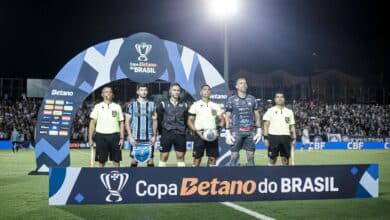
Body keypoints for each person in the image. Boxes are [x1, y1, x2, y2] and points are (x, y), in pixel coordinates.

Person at [225, 78, 262, 166]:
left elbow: (257, 115)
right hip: (236, 132)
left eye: (245, 83)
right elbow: (227, 116)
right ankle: (231, 178)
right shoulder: (231, 99)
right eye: (241, 83)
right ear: (236, 86)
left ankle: (251, 178)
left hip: (250, 132)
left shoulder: (252, 99)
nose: (244, 84)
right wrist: (227, 131)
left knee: (251, 158)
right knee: (234, 157)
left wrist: (259, 130)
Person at [187, 84, 224, 167]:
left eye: (208, 89)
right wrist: (197, 131)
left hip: (212, 135)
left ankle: (211, 178)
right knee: (197, 158)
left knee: (212, 158)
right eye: (204, 89)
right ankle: (194, 177)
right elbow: (190, 121)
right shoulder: (195, 105)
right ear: (201, 92)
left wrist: (218, 129)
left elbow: (222, 119)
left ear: (210, 92)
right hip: (199, 134)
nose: (206, 91)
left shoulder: (215, 106)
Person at [88, 86, 125, 167]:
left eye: (110, 92)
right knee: (101, 161)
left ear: (112, 94)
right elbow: (92, 123)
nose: (108, 93)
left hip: (115, 136)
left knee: (116, 161)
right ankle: (99, 178)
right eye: (106, 92)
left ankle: (118, 178)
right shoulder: (97, 106)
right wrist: (90, 138)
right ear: (102, 94)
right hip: (101, 136)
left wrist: (122, 138)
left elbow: (121, 123)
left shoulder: (117, 107)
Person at [125, 84, 157, 167]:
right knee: (134, 161)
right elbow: (127, 122)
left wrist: (154, 136)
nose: (144, 92)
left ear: (148, 91)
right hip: (135, 137)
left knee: (150, 161)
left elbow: (154, 121)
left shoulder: (152, 105)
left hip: (149, 137)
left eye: (145, 90)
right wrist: (130, 137)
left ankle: (150, 180)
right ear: (137, 92)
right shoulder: (131, 105)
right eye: (142, 90)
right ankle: (133, 180)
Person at [157, 83, 188, 167]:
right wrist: (160, 133)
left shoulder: (184, 105)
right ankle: (160, 178)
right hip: (167, 132)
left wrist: (184, 130)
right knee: (164, 156)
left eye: (178, 90)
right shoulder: (163, 104)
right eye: (174, 90)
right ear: (170, 91)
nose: (176, 92)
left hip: (180, 133)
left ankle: (181, 177)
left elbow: (186, 120)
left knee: (180, 156)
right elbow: (159, 120)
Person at [263, 91, 296, 165]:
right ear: (275, 99)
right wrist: (265, 138)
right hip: (273, 137)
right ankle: (270, 175)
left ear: (284, 99)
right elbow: (266, 125)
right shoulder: (270, 111)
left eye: (281, 97)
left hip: (286, 137)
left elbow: (292, 126)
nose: (279, 99)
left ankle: (284, 175)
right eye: (277, 97)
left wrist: (294, 138)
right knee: (272, 159)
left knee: (285, 160)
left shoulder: (289, 112)